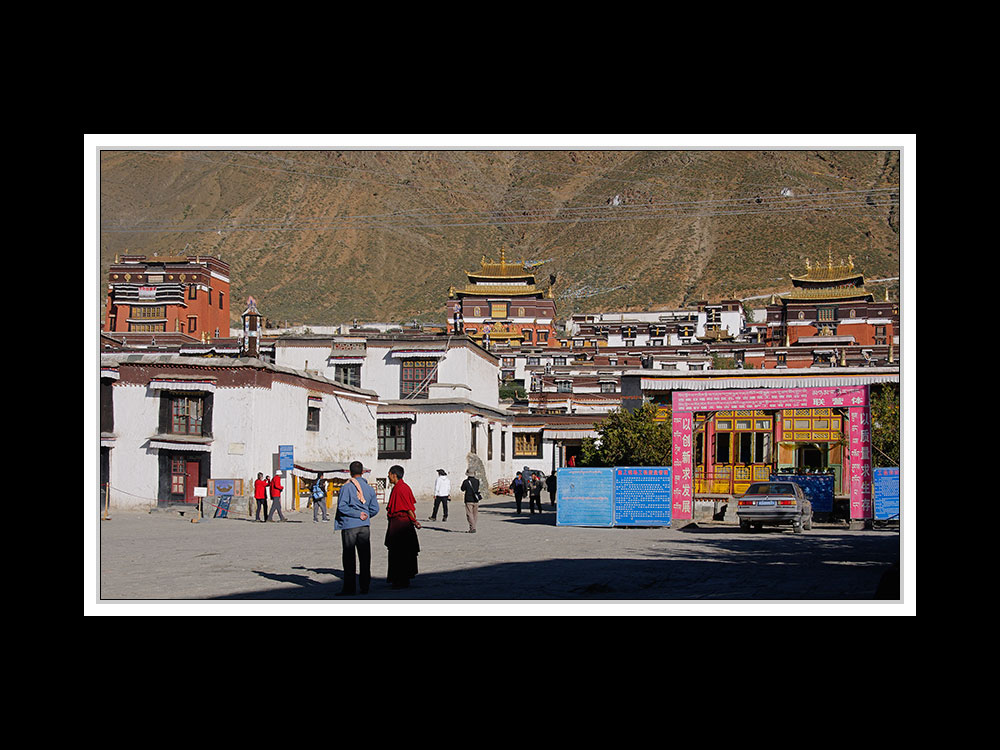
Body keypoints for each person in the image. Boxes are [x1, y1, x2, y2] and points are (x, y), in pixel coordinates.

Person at [334, 461, 380, 596]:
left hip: (350, 525)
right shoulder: (370, 489)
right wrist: (365, 516)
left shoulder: (346, 488)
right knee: (365, 557)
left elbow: (342, 507)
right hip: (364, 527)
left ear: (350, 472)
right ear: (363, 472)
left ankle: (349, 588)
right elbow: (375, 509)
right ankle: (365, 586)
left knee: (349, 557)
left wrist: (357, 514)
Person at [385, 465, 420, 589]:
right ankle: (401, 578)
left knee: (399, 552)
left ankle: (400, 578)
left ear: (394, 475)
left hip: (401, 524)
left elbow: (408, 507)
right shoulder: (400, 487)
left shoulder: (401, 489)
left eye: (389, 474)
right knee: (401, 552)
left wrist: (414, 520)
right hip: (399, 524)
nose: (388, 477)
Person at [460, 469, 481, 533]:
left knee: (469, 514)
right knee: (475, 514)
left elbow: (462, 489)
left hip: (468, 499)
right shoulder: (477, 481)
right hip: (476, 499)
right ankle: (473, 526)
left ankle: (472, 527)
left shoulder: (466, 482)